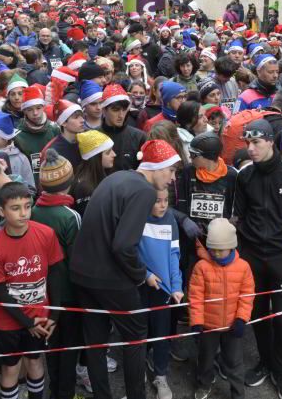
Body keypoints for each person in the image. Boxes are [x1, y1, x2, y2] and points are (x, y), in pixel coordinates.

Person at [70, 139, 180, 399]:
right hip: (110, 277)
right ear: (157, 167)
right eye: (172, 170)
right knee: (135, 337)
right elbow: (123, 245)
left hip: (82, 273)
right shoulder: (144, 191)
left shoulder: (118, 176)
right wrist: (141, 274)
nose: (173, 179)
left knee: (95, 343)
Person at [233, 119, 282, 399]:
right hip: (252, 258)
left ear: (270, 141)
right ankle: (265, 362)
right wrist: (239, 257)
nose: (250, 149)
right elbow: (237, 217)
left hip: (281, 259)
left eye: (256, 143)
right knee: (259, 316)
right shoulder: (245, 175)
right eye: (247, 143)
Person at [0, 182, 63, 399]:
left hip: (41, 317)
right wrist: (28, 323)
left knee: (35, 361)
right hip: (9, 322)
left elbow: (55, 275)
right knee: (10, 368)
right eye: (15, 208)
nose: (23, 213)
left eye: (27, 206)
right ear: (1, 212)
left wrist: (54, 314)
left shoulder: (46, 234)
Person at [30, 150, 82, 399]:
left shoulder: (33, 211)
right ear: (68, 183)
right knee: (69, 348)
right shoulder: (70, 217)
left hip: (44, 292)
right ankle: (66, 393)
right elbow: (76, 259)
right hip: (68, 293)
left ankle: (53, 391)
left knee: (52, 345)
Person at [190, 218, 254, 399]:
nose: (216, 254)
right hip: (208, 326)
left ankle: (238, 393)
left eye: (221, 250)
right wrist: (197, 321)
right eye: (213, 249)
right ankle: (204, 383)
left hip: (233, 325)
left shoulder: (243, 268)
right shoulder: (201, 267)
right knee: (205, 358)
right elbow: (195, 297)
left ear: (232, 246)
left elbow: (247, 295)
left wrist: (242, 318)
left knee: (234, 362)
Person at [137, 186, 183, 399]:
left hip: (162, 289)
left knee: (162, 333)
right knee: (140, 331)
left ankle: (161, 376)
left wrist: (176, 286)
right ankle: (138, 371)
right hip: (139, 285)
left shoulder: (171, 219)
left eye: (166, 200)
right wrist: (145, 273)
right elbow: (130, 252)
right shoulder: (137, 218)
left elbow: (174, 255)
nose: (163, 205)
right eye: (158, 201)